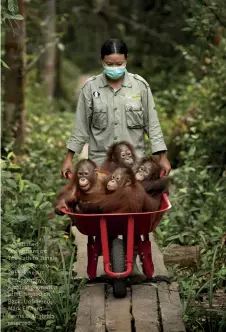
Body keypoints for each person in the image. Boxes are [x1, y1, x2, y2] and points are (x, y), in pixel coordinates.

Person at [61, 38, 171, 178]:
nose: (114, 68)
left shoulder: (140, 86)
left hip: (134, 166)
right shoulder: (90, 88)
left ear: (126, 59)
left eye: (119, 64)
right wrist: (69, 158)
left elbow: (152, 124)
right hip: (100, 167)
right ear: (102, 61)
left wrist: (162, 156)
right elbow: (80, 126)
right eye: (109, 64)